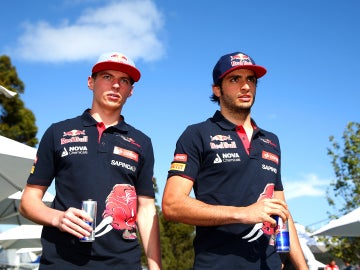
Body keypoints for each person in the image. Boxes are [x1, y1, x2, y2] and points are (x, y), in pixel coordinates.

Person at [162, 51, 308, 269]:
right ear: (217, 89)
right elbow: (172, 205)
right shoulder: (197, 134)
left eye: (251, 79)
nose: (246, 86)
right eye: (234, 79)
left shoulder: (271, 141)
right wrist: (243, 214)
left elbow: (282, 210)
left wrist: (303, 267)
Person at [19, 52, 162, 270]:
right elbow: (28, 201)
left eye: (124, 80)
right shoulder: (58, 132)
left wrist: (155, 266)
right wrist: (58, 218)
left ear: (130, 91)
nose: (115, 85)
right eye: (107, 77)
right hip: (62, 262)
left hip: (123, 264)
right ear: (90, 82)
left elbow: (146, 209)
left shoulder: (142, 142)